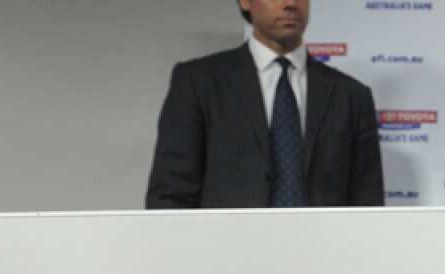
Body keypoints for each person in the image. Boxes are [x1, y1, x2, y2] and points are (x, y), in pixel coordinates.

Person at [146, 0, 383, 209]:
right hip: (225, 255)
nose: (291, 3)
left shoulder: (351, 96)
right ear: (245, 2)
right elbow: (171, 196)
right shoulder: (198, 82)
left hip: (323, 254)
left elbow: (368, 206)